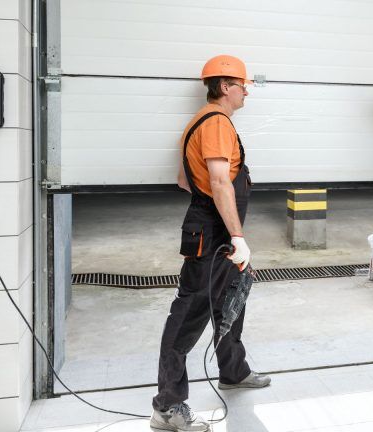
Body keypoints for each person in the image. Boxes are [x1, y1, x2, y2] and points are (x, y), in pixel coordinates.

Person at [151, 54, 271, 432]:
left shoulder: (203, 123)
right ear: (224, 87)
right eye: (242, 86)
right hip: (213, 234)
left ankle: (233, 372)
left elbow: (184, 180)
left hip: (214, 228)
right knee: (189, 316)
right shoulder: (217, 123)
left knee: (231, 302)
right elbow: (219, 183)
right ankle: (167, 406)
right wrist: (237, 235)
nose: (246, 92)